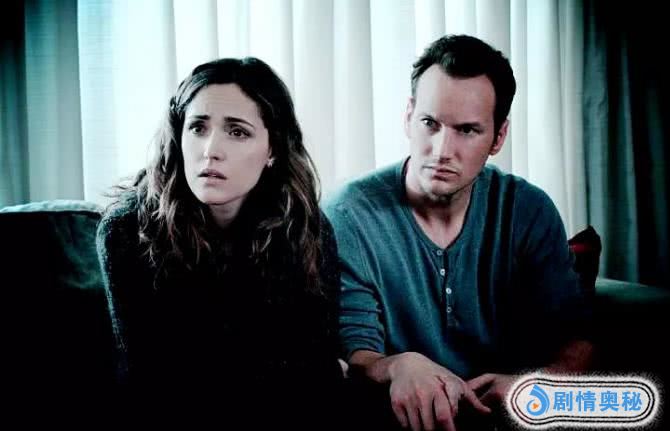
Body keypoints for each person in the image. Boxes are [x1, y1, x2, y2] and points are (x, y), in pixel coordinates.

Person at [323, 35, 594, 431]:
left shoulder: (528, 210)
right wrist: (398, 366)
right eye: (429, 124)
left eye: (466, 130)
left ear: (498, 136)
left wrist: (533, 384)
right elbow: (356, 353)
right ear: (408, 116)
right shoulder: (348, 215)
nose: (441, 150)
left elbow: (576, 336)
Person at [97, 57, 347, 427]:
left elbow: (315, 370)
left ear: (273, 150)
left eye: (237, 132)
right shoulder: (127, 230)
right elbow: (150, 383)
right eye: (198, 128)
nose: (211, 149)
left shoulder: (305, 227)